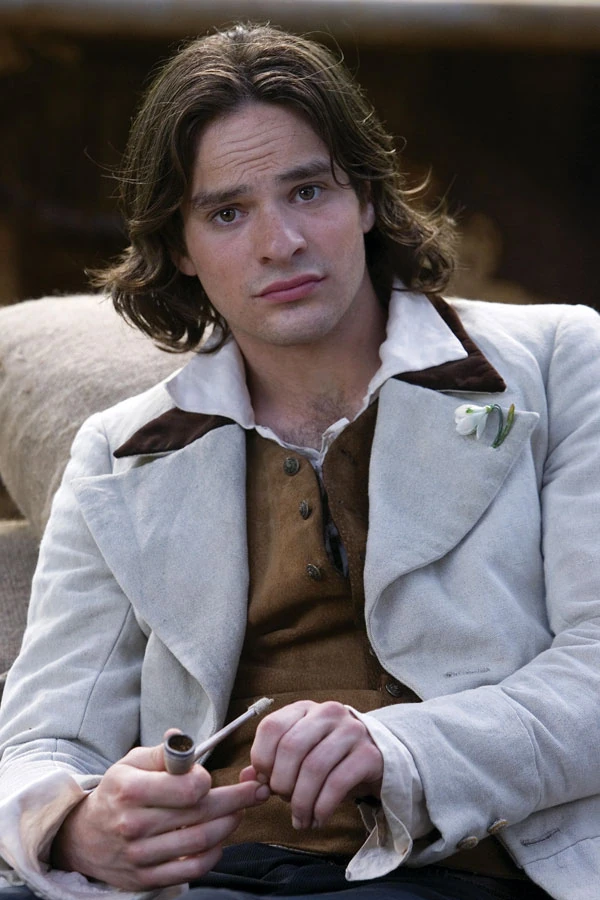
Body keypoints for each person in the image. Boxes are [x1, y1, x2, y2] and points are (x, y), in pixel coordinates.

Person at [0, 21, 599, 900]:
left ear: (367, 198)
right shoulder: (121, 452)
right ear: (179, 247)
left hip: (461, 865)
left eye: (308, 191)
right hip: (208, 878)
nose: (279, 242)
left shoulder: (560, 359)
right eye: (227, 213)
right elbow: (41, 741)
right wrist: (74, 825)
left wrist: (400, 749)